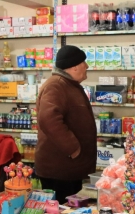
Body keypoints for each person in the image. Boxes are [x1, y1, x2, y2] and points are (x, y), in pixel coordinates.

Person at [36, 45, 97, 204]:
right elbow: (48, 119)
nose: (87, 66)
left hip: (69, 169)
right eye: (84, 63)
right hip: (60, 171)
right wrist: (73, 148)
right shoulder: (56, 85)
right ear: (75, 66)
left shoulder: (69, 85)